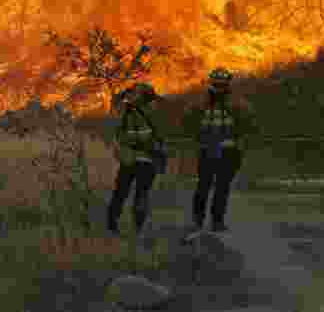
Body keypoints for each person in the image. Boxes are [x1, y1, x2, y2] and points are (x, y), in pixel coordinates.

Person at [182, 67, 257, 235]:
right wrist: (197, 137)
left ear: (228, 84)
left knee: (222, 187)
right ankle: (198, 221)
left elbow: (249, 122)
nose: (219, 88)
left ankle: (217, 221)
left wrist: (240, 142)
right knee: (203, 186)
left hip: (229, 150)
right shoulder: (201, 102)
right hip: (207, 149)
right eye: (216, 84)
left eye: (223, 84)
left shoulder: (237, 102)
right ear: (211, 83)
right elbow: (188, 121)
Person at [107, 82, 168, 236]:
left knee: (124, 193)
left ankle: (115, 225)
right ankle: (134, 227)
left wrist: (123, 93)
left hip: (135, 159)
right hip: (141, 160)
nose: (131, 96)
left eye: (134, 94)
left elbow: (114, 107)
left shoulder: (134, 110)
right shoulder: (146, 110)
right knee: (137, 194)